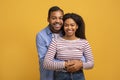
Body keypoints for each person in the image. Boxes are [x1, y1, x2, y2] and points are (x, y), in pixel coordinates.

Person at [36, 6, 86, 80]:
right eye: (54, 18)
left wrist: (80, 63)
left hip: (69, 75)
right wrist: (67, 63)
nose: (57, 21)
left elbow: (80, 52)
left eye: (60, 18)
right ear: (48, 19)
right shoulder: (41, 35)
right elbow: (44, 60)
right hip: (49, 76)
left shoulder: (68, 32)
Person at [43, 13, 94, 80]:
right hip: (60, 76)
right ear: (63, 27)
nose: (69, 28)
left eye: (72, 25)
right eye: (66, 25)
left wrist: (81, 65)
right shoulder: (55, 42)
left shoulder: (84, 43)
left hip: (78, 76)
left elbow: (91, 63)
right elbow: (46, 63)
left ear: (77, 26)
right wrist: (66, 64)